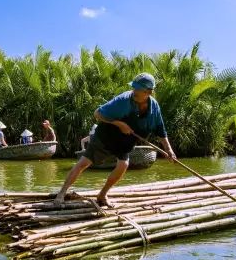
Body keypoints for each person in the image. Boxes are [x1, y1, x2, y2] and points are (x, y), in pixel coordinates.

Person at [54, 72, 176, 207]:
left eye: (137, 89)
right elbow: (98, 113)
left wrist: (168, 149)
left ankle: (102, 195)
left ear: (148, 92)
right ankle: (62, 193)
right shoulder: (123, 100)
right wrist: (120, 124)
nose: (134, 91)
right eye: (133, 88)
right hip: (106, 136)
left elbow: (160, 129)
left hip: (125, 142)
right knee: (84, 163)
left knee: (123, 165)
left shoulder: (154, 107)